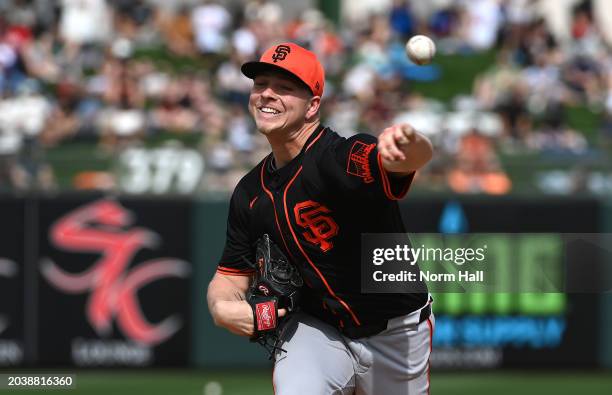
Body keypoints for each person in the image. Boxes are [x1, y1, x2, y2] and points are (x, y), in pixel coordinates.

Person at [207, 42, 434, 395]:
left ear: (313, 105)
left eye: (284, 88)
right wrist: (222, 309)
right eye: (261, 83)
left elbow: (403, 159)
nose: (267, 94)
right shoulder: (249, 193)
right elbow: (228, 278)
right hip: (318, 328)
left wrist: (410, 145)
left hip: (397, 330)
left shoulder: (339, 158)